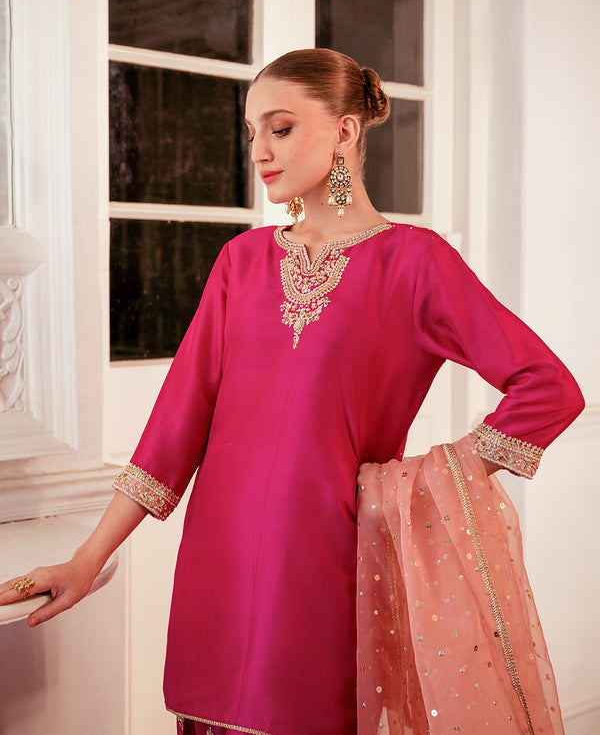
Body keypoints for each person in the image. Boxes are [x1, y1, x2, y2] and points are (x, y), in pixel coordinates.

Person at [0, 49, 584, 735]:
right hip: (217, 566)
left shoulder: (414, 263)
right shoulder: (241, 263)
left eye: (280, 128)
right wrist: (85, 561)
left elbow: (549, 387)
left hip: (326, 567)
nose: (259, 151)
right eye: (252, 132)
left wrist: (427, 478)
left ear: (344, 131)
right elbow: (172, 432)